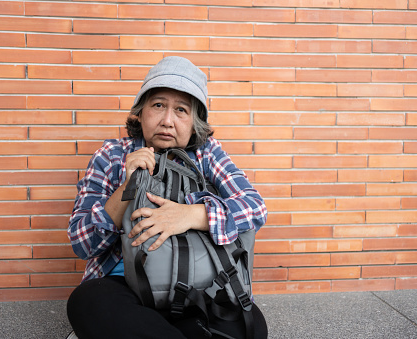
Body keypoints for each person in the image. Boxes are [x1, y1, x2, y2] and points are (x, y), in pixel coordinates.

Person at [66, 56, 268, 339]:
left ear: (194, 121)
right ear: (141, 112)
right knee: (87, 301)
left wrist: (190, 215)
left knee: (252, 327)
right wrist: (127, 187)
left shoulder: (206, 154)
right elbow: (82, 243)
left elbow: (254, 207)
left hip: (199, 287)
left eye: (181, 110)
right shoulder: (111, 156)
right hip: (124, 286)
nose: (167, 121)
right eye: (158, 105)